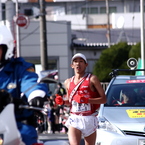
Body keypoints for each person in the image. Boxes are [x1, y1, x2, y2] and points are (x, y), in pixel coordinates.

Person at [0, 25, 49, 145]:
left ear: (7, 48)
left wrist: (36, 95)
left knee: (26, 137)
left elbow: (30, 82)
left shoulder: (19, 68)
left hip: (16, 124)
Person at [55, 53, 106, 145]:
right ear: (72, 65)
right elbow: (70, 102)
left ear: (86, 64)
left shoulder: (92, 79)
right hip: (75, 118)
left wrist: (87, 100)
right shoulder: (68, 82)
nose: (78, 64)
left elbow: (103, 99)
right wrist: (62, 102)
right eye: (75, 61)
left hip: (89, 118)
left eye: (81, 61)